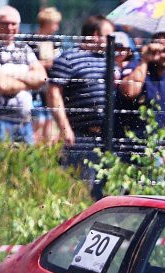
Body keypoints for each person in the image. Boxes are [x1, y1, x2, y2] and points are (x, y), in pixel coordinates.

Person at [47, 14, 115, 197]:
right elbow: (54, 93)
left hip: (107, 138)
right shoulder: (69, 59)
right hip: (80, 136)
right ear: (95, 35)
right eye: (109, 35)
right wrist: (64, 127)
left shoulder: (109, 60)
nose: (112, 40)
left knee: (105, 192)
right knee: (79, 188)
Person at [0, 5, 47, 144]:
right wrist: (28, 80)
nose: (10, 28)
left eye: (14, 24)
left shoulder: (24, 48)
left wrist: (8, 73)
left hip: (25, 121)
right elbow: (0, 85)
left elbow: (41, 78)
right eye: (5, 23)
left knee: (26, 165)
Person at [120, 32, 165, 140]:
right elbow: (129, 92)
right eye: (163, 50)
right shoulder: (136, 67)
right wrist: (144, 59)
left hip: (153, 149)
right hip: (127, 143)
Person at [31, 6, 62, 143]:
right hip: (36, 88)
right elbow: (29, 63)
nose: (56, 27)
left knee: (49, 122)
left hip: (50, 87)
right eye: (55, 23)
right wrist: (45, 63)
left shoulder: (55, 42)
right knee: (38, 122)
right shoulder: (31, 41)